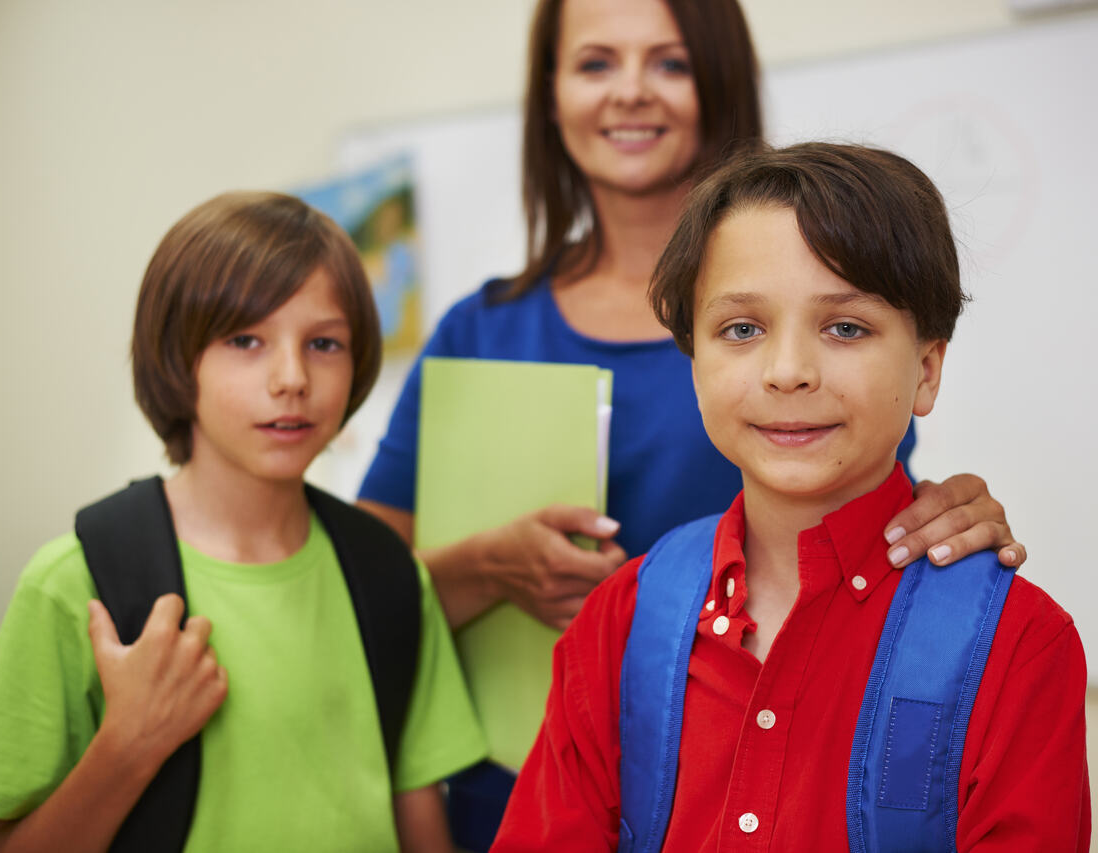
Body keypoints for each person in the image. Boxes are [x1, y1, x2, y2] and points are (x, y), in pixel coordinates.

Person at [357, 0, 1025, 846]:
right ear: (550, 94)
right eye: (596, 63)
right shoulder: (480, 331)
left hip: (749, 788)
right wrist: (486, 569)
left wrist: (954, 520)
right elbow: (358, 598)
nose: (631, 92)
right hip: (516, 788)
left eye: (669, 62)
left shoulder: (814, 375)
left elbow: (872, 529)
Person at [492, 142, 1090, 851]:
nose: (788, 370)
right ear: (695, 361)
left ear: (927, 369)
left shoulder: (1019, 645)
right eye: (741, 329)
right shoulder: (618, 622)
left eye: (845, 327)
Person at [0, 192, 486, 852]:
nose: (292, 378)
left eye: (324, 343)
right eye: (245, 339)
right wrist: (129, 743)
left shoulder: (389, 574)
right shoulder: (76, 582)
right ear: (175, 357)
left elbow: (419, 821)